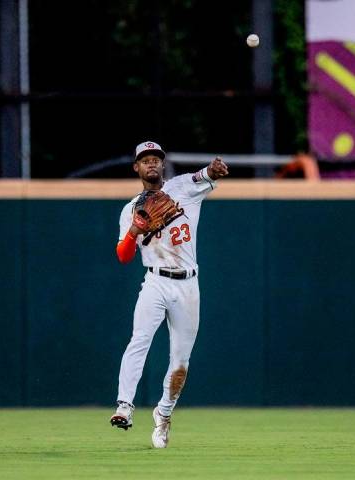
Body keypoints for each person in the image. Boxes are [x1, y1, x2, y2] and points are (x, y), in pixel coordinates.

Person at [110, 141, 229, 448]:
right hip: (155, 281)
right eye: (145, 160)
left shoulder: (180, 188)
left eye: (155, 159)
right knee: (139, 339)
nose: (151, 164)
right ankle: (124, 405)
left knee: (181, 361)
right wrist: (136, 229)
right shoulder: (131, 209)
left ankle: (163, 415)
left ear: (162, 165)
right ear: (136, 167)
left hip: (188, 285)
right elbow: (123, 256)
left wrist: (214, 171)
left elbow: (204, 175)